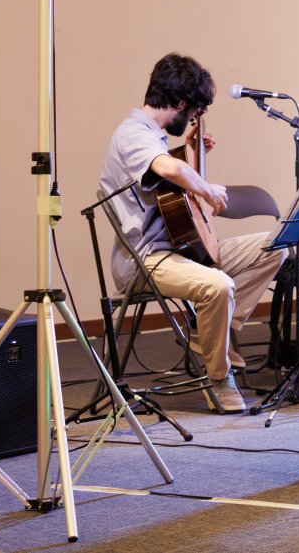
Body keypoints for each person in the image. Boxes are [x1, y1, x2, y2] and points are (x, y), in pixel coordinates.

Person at [99, 53, 285, 413]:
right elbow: (168, 169)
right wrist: (207, 188)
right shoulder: (133, 133)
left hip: (181, 250)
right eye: (194, 112)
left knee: (276, 246)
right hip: (148, 259)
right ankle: (220, 375)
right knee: (219, 285)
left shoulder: (153, 139)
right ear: (182, 104)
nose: (192, 119)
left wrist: (191, 152)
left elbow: (172, 197)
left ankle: (214, 329)